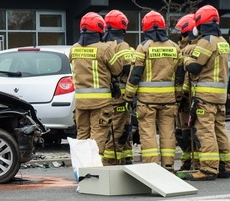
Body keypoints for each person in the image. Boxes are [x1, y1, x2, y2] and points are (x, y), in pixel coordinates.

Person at [123, 11, 184, 171]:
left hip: (147, 101)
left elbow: (135, 74)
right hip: (169, 100)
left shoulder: (143, 47)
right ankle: (168, 165)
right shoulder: (175, 47)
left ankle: (152, 167)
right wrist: (177, 95)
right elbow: (179, 76)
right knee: (167, 132)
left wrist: (128, 95)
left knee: (148, 133)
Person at [180, 5, 230, 180]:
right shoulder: (223, 42)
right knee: (220, 130)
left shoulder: (206, 41)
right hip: (220, 96)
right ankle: (225, 166)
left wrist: (185, 59)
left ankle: (208, 169)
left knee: (205, 131)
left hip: (205, 95)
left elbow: (195, 67)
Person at [69, 12, 123, 158]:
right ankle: (93, 171)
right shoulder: (104, 49)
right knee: (97, 137)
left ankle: (82, 169)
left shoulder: (74, 49)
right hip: (100, 103)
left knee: (82, 136)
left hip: (80, 103)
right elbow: (117, 70)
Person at [102, 10, 134, 165]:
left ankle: (126, 158)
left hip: (105, 96)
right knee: (119, 131)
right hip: (120, 96)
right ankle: (110, 161)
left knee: (120, 128)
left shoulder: (101, 44)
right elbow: (128, 68)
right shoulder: (122, 45)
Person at [174, 14, 200, 171]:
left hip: (187, 97)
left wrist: (181, 94)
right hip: (181, 98)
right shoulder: (181, 48)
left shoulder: (192, 49)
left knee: (191, 131)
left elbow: (186, 75)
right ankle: (187, 162)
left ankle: (195, 163)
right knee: (182, 132)